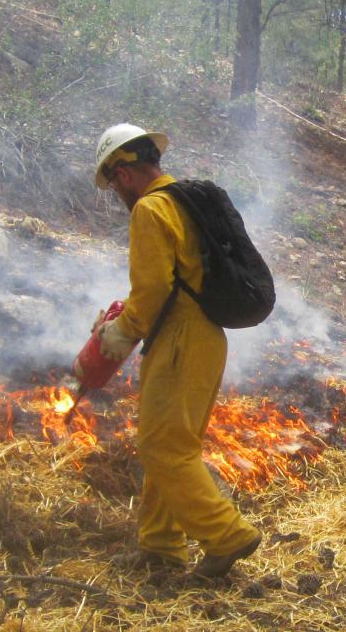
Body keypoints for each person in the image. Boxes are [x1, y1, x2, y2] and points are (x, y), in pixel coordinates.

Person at [91, 123, 261, 577]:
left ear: (124, 173)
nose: (115, 193)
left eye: (112, 184)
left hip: (180, 338)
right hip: (204, 337)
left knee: (163, 448)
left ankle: (227, 535)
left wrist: (121, 331)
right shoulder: (183, 201)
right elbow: (174, 279)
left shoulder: (150, 209)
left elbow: (151, 289)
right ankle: (160, 547)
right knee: (167, 443)